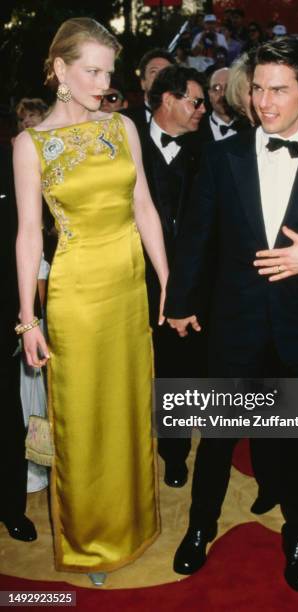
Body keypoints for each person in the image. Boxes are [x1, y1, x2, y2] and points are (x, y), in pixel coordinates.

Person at [165, 38, 298, 593]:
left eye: (279, 89)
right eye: (257, 89)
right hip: (236, 325)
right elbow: (198, 237)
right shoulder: (222, 156)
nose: (264, 102)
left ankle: (297, 536)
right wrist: (180, 303)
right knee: (218, 438)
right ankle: (200, 527)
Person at [13, 17, 168, 585]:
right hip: (76, 298)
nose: (104, 82)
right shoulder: (30, 145)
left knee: (128, 411)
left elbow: (145, 208)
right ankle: (89, 543)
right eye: (92, 70)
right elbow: (30, 234)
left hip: (128, 290)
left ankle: (133, 524)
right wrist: (28, 319)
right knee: (82, 420)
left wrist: (168, 279)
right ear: (59, 70)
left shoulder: (123, 127)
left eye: (109, 71)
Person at [139, 65, 207, 487]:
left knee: (178, 368)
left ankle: (175, 452)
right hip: (127, 278)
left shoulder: (207, 150)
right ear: (168, 100)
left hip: (184, 281)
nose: (203, 109)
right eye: (194, 101)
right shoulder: (124, 140)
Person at [0, 142, 37, 543]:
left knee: (7, 417)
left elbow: (24, 237)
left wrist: (25, 315)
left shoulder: (9, 162)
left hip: (3, 313)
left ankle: (11, 507)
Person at [124, 48, 174, 135]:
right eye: (154, 72)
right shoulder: (123, 122)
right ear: (143, 82)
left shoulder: (191, 119)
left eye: (167, 72)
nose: (160, 77)